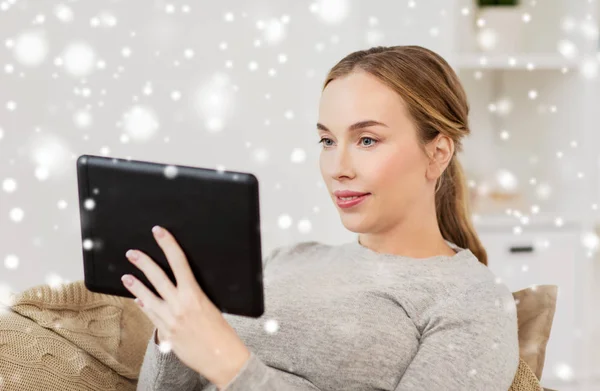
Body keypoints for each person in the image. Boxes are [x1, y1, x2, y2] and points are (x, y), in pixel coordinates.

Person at [136, 45, 520, 390]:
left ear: (437, 153)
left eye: (367, 140)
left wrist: (228, 362)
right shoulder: (287, 259)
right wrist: (172, 331)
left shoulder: (472, 300)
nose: (338, 168)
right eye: (327, 141)